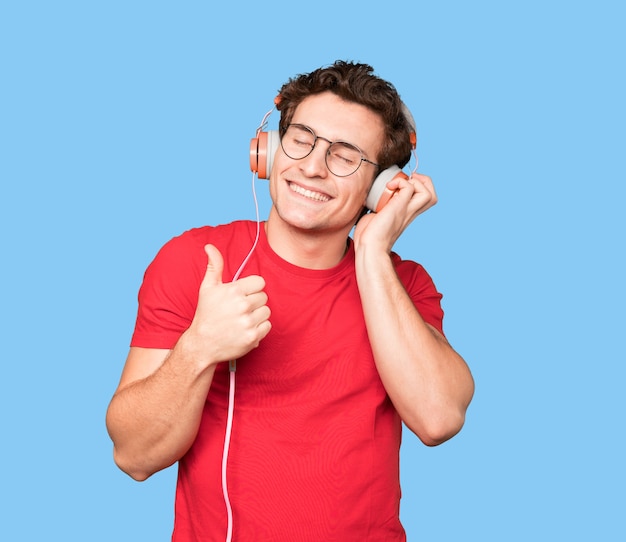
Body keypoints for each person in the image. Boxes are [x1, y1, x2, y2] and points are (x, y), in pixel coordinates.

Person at [106, 60, 474, 541]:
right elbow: (134, 456)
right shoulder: (195, 262)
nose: (313, 167)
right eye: (302, 139)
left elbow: (438, 418)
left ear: (383, 189)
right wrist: (199, 348)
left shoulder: (404, 285)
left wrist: (372, 254)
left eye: (346, 156)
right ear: (270, 151)